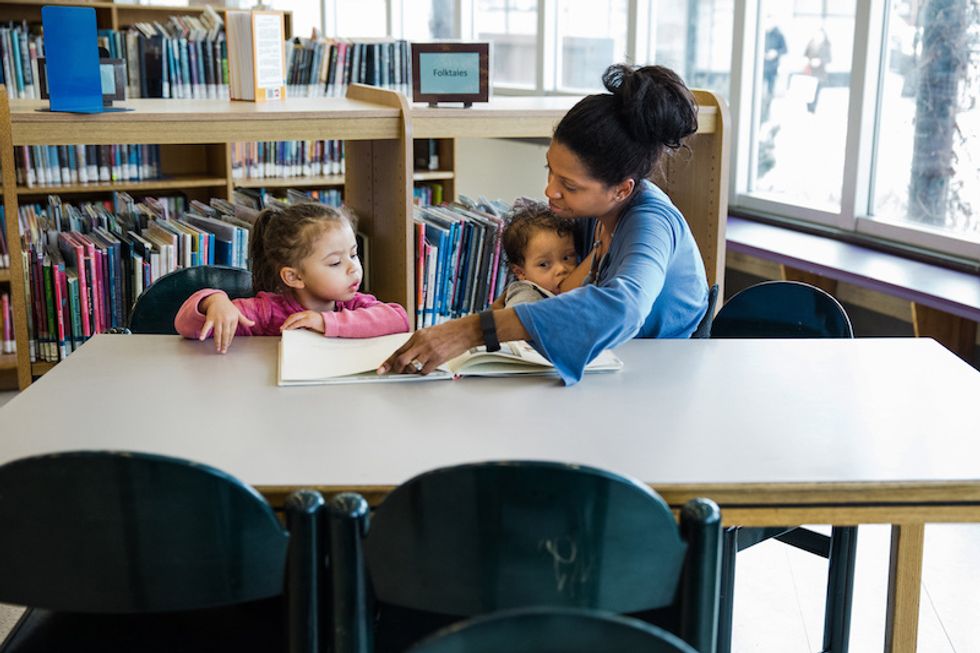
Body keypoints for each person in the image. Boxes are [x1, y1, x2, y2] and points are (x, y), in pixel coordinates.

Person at [380, 64, 709, 385]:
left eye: (570, 185)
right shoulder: (591, 213)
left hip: (665, 379)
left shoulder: (652, 225)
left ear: (622, 189)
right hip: (619, 368)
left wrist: (472, 330)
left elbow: (625, 308)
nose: (550, 191)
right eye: (549, 170)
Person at [174, 202, 409, 353]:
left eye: (354, 254)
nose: (353, 268)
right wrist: (213, 302)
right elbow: (186, 326)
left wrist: (325, 322)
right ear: (294, 277)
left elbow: (399, 319)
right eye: (336, 262)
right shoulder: (267, 312)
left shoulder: (352, 304)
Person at [500, 199, 578, 307]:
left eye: (566, 258)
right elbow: (514, 319)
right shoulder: (526, 297)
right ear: (520, 273)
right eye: (544, 264)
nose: (561, 269)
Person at [762, 18, 787, 123]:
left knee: (769, 92)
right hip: (762, 67)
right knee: (760, 92)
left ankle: (766, 113)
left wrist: (775, 53)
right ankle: (761, 111)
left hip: (772, 68)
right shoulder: (762, 34)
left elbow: (785, 49)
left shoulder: (779, 35)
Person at [803, 28, 831, 113]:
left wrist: (820, 61)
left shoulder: (826, 46)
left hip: (819, 73)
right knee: (808, 91)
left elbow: (829, 59)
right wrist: (808, 60)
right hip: (810, 72)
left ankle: (812, 109)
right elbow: (805, 55)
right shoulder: (811, 44)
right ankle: (808, 108)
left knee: (816, 91)